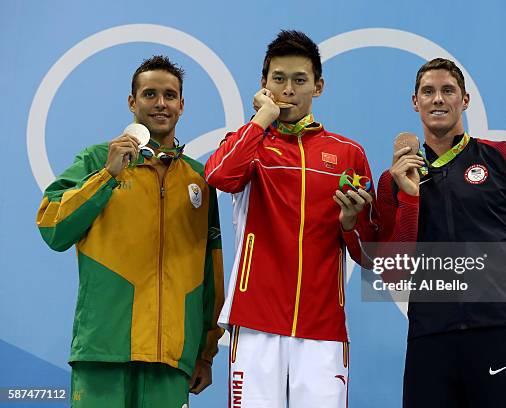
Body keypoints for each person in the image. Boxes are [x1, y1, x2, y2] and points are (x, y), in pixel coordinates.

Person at [36, 55, 225, 408]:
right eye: (150, 94)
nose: (160, 104)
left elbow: (210, 274)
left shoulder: (200, 179)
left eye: (170, 96)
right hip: (104, 351)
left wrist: (206, 352)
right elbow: (53, 228)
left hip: (170, 360)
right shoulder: (96, 161)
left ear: (182, 105)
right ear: (132, 102)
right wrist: (107, 177)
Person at [377, 58, 506, 408]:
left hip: (497, 340)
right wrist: (409, 195)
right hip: (428, 342)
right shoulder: (393, 180)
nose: (437, 99)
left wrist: (504, 314)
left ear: (464, 100)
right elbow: (393, 271)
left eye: (447, 90)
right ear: (414, 102)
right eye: (428, 91)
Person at [205, 30, 378, 408]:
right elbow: (219, 177)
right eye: (278, 79)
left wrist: (350, 224)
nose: (288, 90)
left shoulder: (348, 154)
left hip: (323, 327)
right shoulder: (246, 141)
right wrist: (260, 121)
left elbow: (370, 255)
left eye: (299, 80)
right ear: (263, 84)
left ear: (318, 85)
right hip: (255, 322)